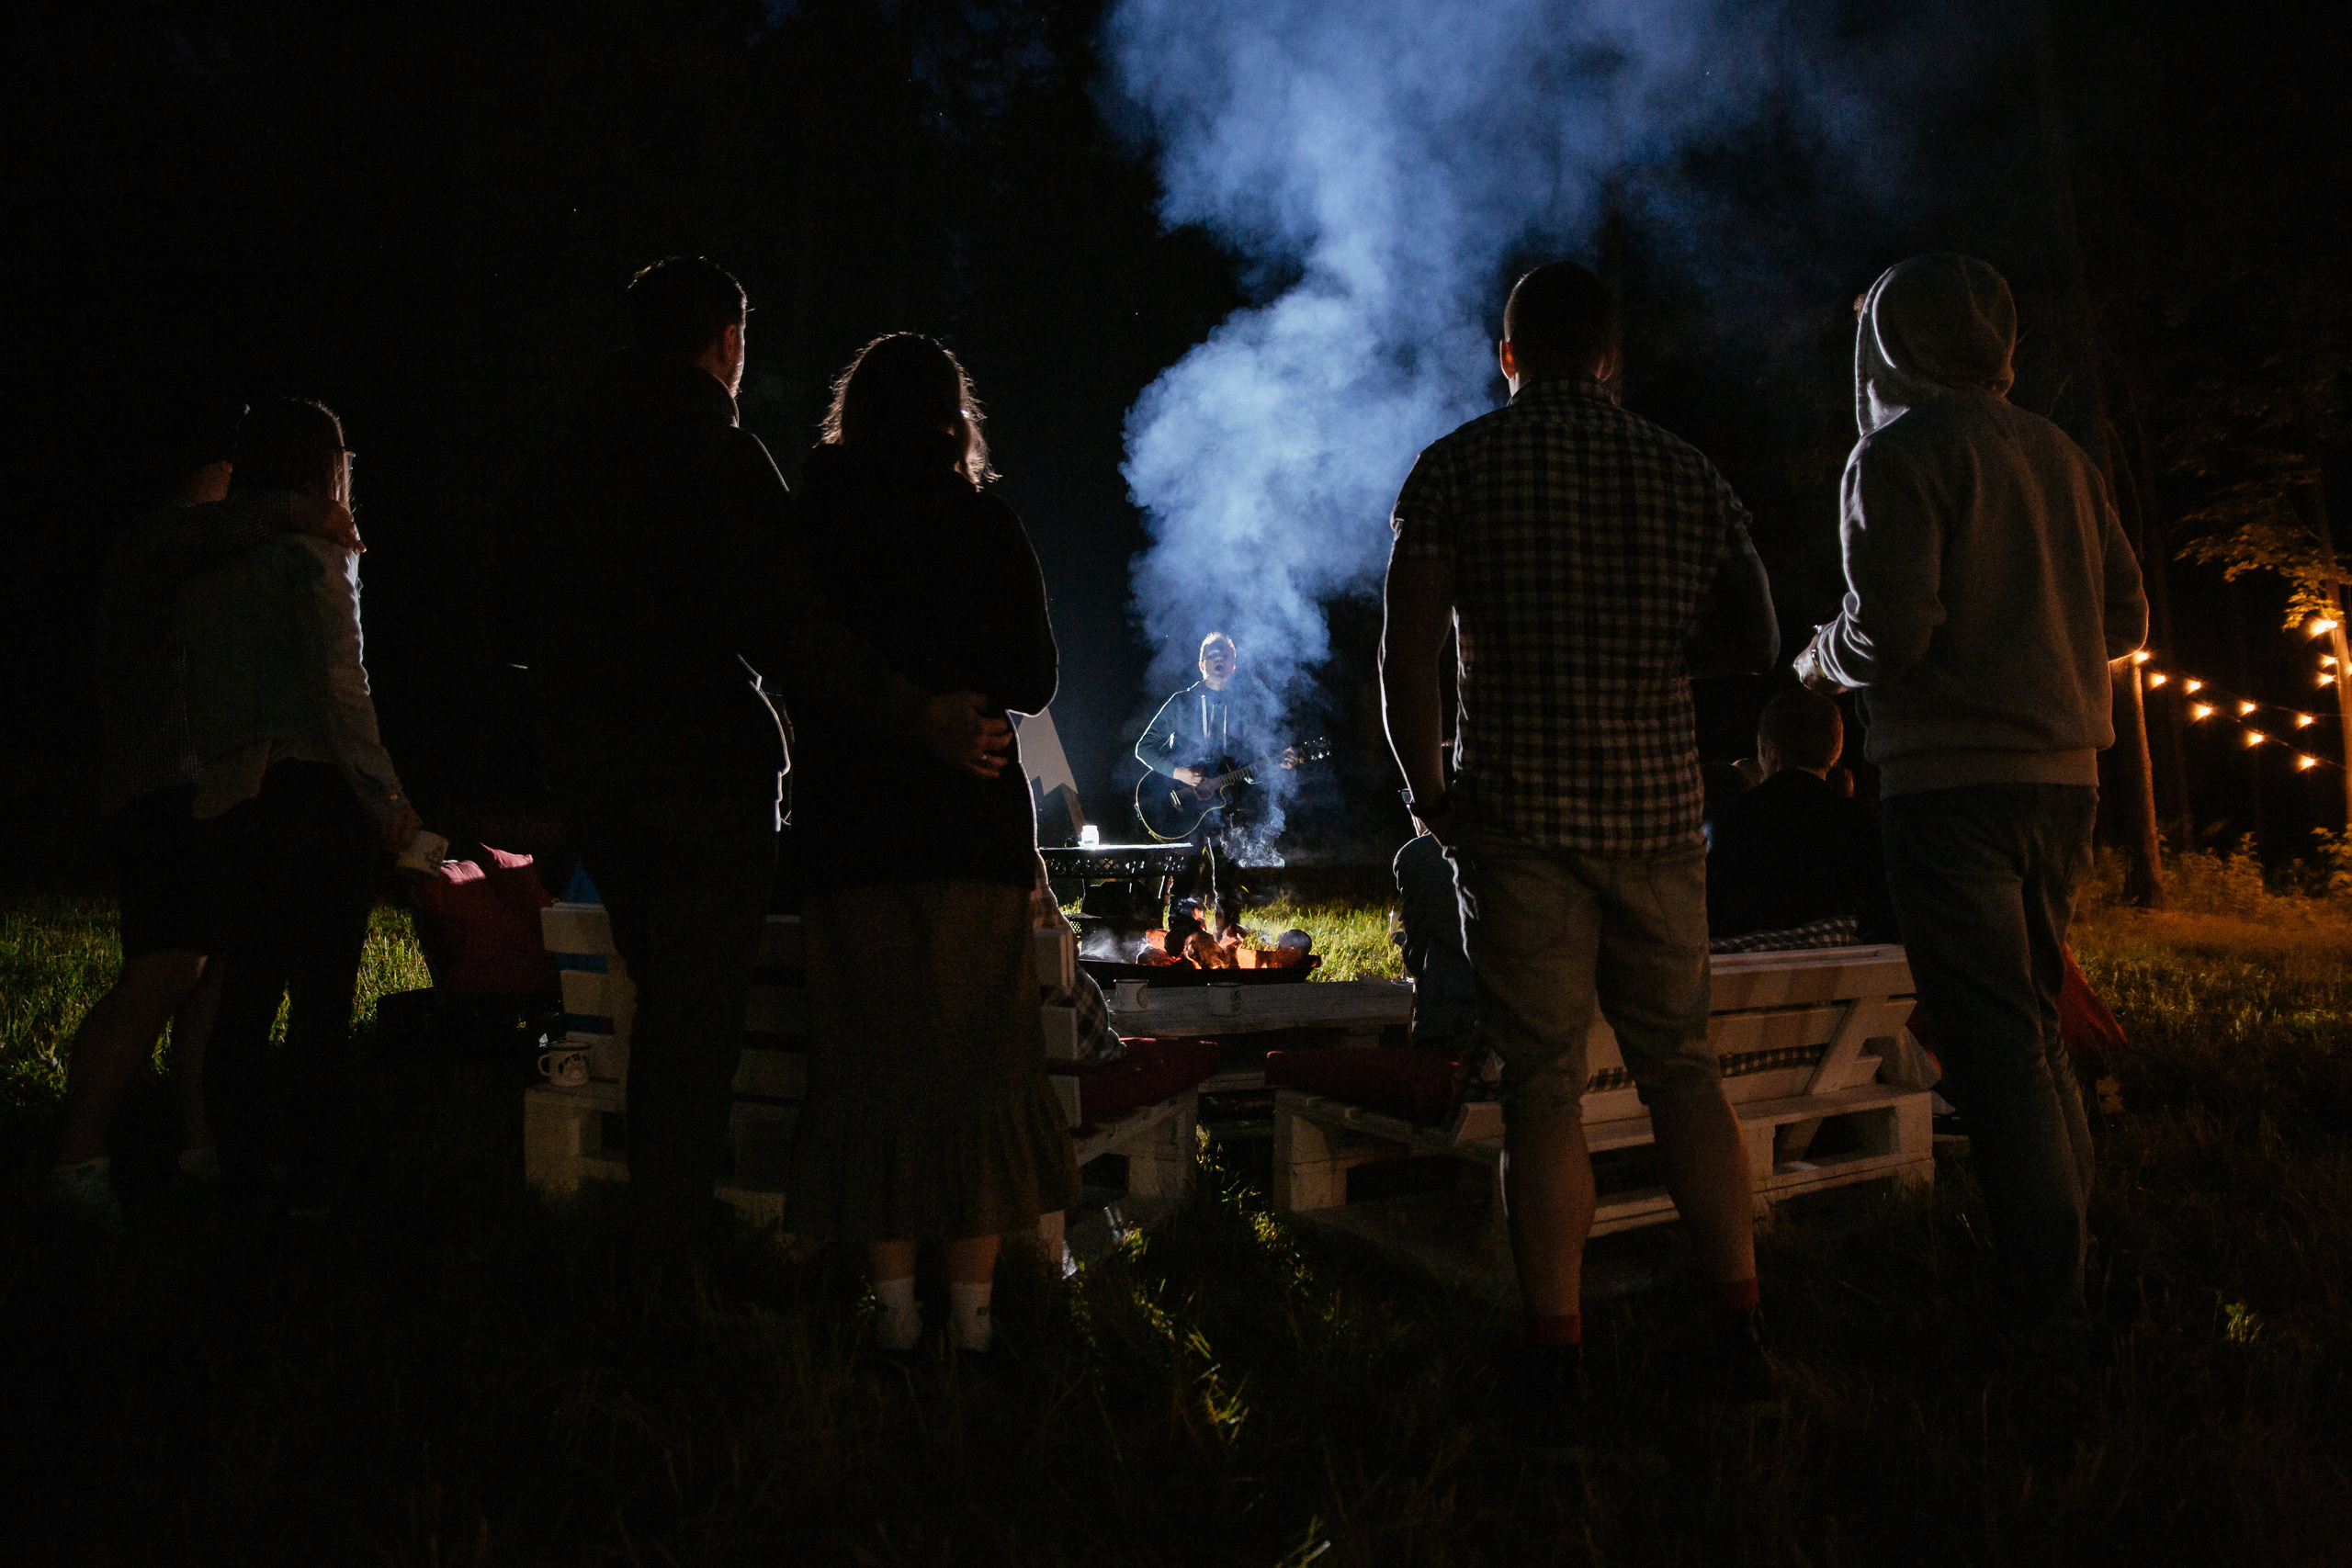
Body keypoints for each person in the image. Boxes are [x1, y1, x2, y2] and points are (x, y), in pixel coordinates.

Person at [498, 258, 1010, 1269]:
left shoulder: (563, 462)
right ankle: (673, 1258)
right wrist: (914, 713)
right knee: (693, 1025)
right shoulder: (715, 457)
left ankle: (659, 1231)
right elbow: (789, 632)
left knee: (661, 1005)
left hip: (591, 770)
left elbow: (512, 617)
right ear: (728, 342)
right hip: (699, 779)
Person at [1381, 260, 1781, 1463]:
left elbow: (1408, 657)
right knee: (1683, 1068)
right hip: (1658, 817)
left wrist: (1431, 793)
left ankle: (1555, 1355)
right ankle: (1741, 1331)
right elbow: (1756, 634)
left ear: (1508, 356)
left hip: (1519, 821)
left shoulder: (1455, 467)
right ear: (1611, 357)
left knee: (1544, 1086)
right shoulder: (1685, 473)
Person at [1793, 254, 2146, 1353]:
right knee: (2033, 1031)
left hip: (1949, 788)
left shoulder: (1894, 457)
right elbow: (2127, 621)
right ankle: (2074, 1272)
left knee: (1992, 1048)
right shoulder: (2060, 455)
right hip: (2066, 781)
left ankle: (2049, 1317)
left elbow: (1890, 634)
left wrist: (1812, 666)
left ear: (1888, 346)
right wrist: (2035, 642)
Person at [783, 333, 1080, 1355]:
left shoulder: (811, 525)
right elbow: (1034, 680)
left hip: (846, 840)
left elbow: (800, 663)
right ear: (954, 422)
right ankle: (975, 1317)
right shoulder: (983, 526)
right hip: (967, 835)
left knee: (870, 1075)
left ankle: (895, 1315)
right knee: (973, 1080)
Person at [43, 399, 358, 1229]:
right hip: (161, 786)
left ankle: (201, 1147)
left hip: (201, 785)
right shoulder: (163, 538)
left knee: (214, 974)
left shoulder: (205, 546)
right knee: (166, 966)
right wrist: (300, 508)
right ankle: (77, 1155)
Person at [180, 399, 419, 1214]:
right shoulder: (316, 552)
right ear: (328, 466)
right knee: (322, 1000)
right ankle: (317, 1179)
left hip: (229, 793)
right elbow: (338, 684)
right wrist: (385, 796)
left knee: (245, 989)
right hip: (311, 792)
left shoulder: (210, 562)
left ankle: (239, 1171)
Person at [1703, 689, 1899, 950]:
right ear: (1835, 751)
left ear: (1771, 752)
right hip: (1845, 984)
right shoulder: (1865, 825)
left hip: (1746, 983)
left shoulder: (1723, 822)